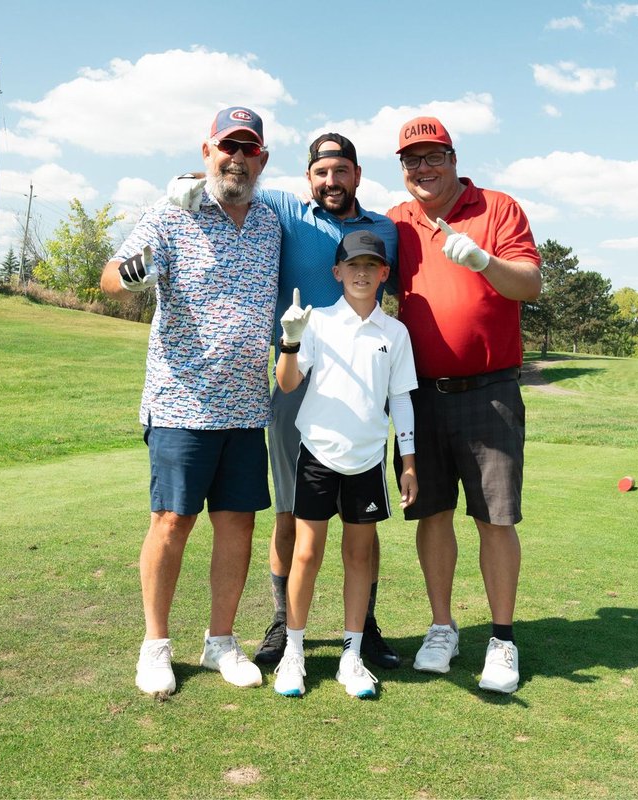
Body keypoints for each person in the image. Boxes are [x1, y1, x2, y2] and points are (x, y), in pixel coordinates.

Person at [168, 134, 402, 669]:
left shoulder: (385, 230)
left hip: (362, 390)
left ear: (357, 174)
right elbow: (230, 178)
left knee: (361, 517)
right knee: (292, 508)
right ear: (308, 177)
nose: (331, 182)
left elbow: (404, 293)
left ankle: (364, 623)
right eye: (321, 173)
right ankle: (282, 619)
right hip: (296, 379)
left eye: (340, 171)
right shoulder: (283, 208)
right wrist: (184, 182)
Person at [100, 106, 280, 696]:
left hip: (247, 407)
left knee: (238, 523)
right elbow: (111, 279)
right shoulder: (170, 212)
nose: (238, 158)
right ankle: (155, 645)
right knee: (172, 520)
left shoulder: (271, 222)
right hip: (181, 403)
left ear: (262, 160)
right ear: (208, 152)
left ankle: (220, 641)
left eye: (249, 149)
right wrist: (134, 272)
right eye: (228, 147)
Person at [387, 116, 543, 694]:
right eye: (412, 160)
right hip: (419, 395)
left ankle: (501, 639)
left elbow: (529, 284)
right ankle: (441, 627)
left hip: (489, 392)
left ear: (454, 159)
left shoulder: (497, 208)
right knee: (431, 513)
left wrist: (483, 261)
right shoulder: (395, 222)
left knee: (494, 517)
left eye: (434, 156)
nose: (423, 168)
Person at [270, 231, 418, 699]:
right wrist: (290, 342)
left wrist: (408, 462)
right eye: (353, 265)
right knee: (306, 554)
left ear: (384, 273)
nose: (361, 273)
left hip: (368, 459)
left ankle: (351, 656)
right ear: (337, 272)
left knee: (359, 557)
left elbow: (401, 399)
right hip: (318, 453)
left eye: (371, 265)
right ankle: (294, 652)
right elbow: (287, 384)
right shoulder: (316, 322)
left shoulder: (395, 333)